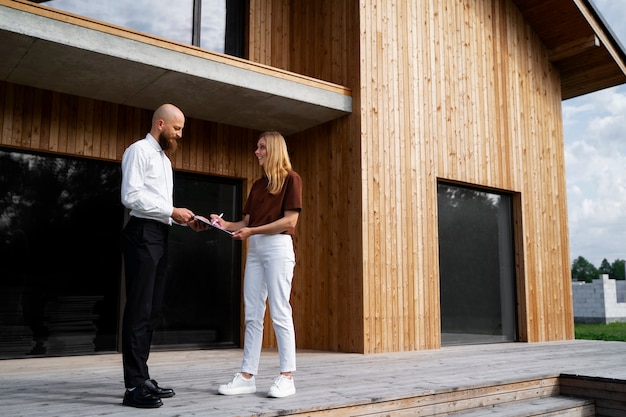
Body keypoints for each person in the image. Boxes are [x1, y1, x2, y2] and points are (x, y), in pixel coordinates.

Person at [120, 103, 207, 408]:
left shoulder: (165, 161)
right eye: (177, 128)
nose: (180, 134)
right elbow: (130, 197)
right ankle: (133, 388)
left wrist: (185, 220)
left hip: (160, 234)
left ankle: (142, 377)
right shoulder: (138, 151)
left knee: (153, 310)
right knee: (139, 309)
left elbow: (160, 207)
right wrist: (171, 210)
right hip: (142, 234)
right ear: (160, 123)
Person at [213, 131, 302, 398]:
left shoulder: (291, 179)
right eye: (257, 147)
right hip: (256, 250)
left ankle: (287, 377)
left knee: (279, 311)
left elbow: (290, 222)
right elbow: (245, 224)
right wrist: (223, 224)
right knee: (252, 313)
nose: (257, 151)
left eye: (262, 147)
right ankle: (247, 376)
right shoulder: (257, 185)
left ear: (273, 149)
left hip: (277, 248)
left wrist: (252, 232)